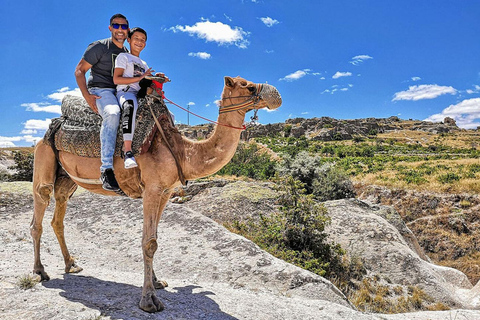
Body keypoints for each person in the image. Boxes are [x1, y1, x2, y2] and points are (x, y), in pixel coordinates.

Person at [74, 13, 129, 191]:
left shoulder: (126, 53)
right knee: (113, 113)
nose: (120, 29)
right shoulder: (100, 47)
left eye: (123, 26)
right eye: (116, 25)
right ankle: (106, 169)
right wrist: (87, 96)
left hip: (120, 91)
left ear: (127, 30)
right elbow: (80, 71)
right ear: (110, 28)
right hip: (101, 90)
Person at [113, 27, 152, 169]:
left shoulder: (144, 64)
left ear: (145, 44)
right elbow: (117, 79)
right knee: (130, 106)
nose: (139, 42)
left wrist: (157, 79)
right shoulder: (123, 57)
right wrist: (140, 77)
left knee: (167, 114)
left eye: (143, 40)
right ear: (129, 40)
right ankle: (128, 151)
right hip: (125, 92)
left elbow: (145, 84)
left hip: (139, 95)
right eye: (136, 38)